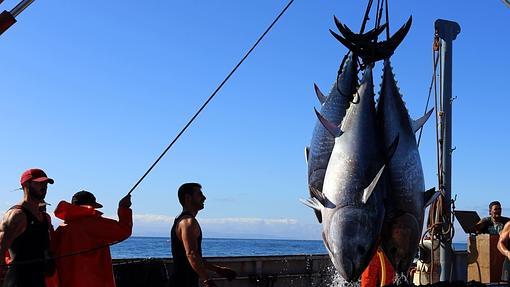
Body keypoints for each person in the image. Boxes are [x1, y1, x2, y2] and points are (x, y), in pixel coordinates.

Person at [50, 190, 132, 287]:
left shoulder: (62, 228)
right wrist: (124, 207)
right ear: (91, 206)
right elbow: (124, 230)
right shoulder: (95, 224)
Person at [171, 183, 237, 287]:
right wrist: (207, 280)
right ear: (188, 198)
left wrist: (218, 269)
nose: (204, 198)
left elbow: (195, 257)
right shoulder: (188, 222)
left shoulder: (182, 220)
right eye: (199, 194)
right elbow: (191, 254)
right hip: (184, 282)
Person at [0, 168, 55, 287]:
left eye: (46, 183)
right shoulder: (17, 215)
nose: (44, 186)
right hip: (17, 282)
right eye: (39, 183)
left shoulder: (45, 218)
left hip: (39, 281)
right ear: (26, 184)